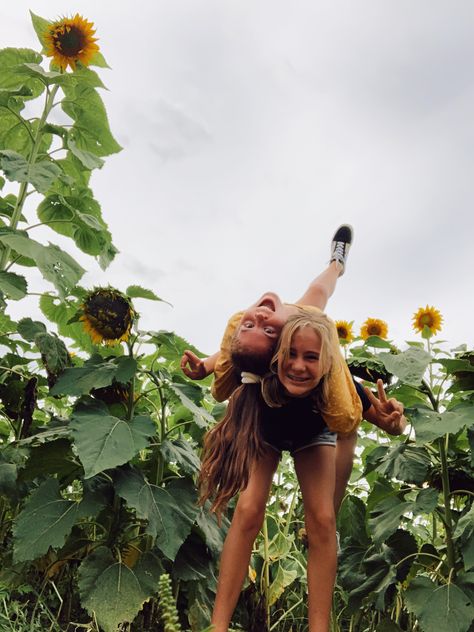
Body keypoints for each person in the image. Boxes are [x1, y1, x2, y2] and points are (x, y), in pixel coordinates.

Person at [198, 312, 406, 632]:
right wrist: (203, 365)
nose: (298, 365)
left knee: (322, 521)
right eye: (291, 354)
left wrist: (396, 423)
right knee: (249, 509)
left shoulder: (342, 383)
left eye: (311, 357)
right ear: (277, 354)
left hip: (313, 435)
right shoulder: (261, 366)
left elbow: (386, 421)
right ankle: (218, 626)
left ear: (328, 364)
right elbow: (229, 353)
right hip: (264, 429)